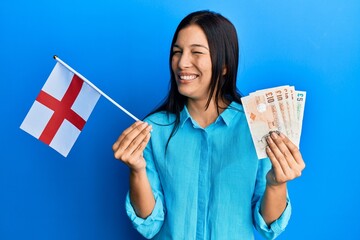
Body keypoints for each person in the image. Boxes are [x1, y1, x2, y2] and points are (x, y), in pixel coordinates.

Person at [112, 10, 305, 240]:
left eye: (196, 52)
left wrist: (275, 184)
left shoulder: (258, 125)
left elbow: (268, 227)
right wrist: (137, 170)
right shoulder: (153, 130)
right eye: (177, 52)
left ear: (224, 65)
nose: (182, 63)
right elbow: (149, 224)